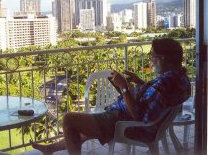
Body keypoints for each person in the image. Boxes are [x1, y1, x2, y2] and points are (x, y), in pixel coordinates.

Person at [32, 38, 191, 155]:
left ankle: (53, 149)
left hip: (127, 124)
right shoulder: (180, 79)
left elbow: (138, 115)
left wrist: (123, 87)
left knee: (69, 119)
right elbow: (155, 97)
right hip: (144, 123)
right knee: (83, 129)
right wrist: (138, 81)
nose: (151, 60)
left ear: (162, 58)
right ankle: (51, 149)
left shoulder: (164, 83)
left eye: (152, 56)